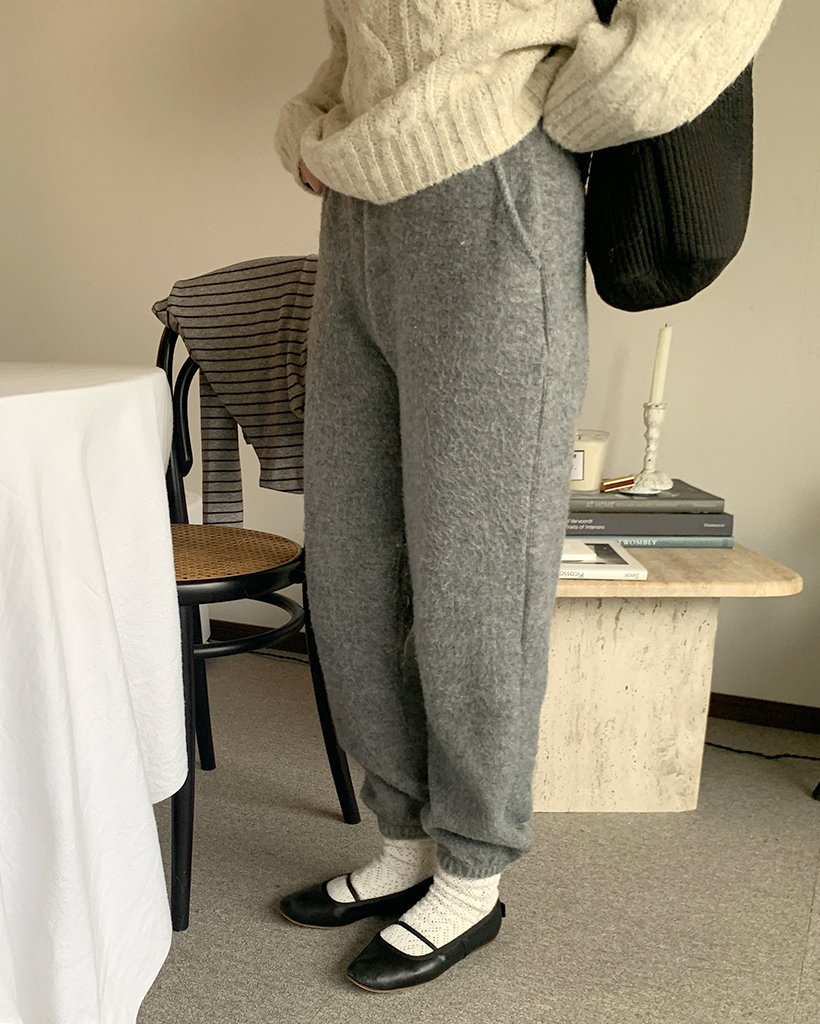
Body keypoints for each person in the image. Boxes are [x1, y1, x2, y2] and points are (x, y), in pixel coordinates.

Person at [274, 0, 781, 993]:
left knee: (478, 570)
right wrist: (306, 125)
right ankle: (405, 839)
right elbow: (357, 38)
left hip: (494, 191)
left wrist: (546, 109)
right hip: (356, 207)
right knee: (351, 558)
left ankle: (472, 869)